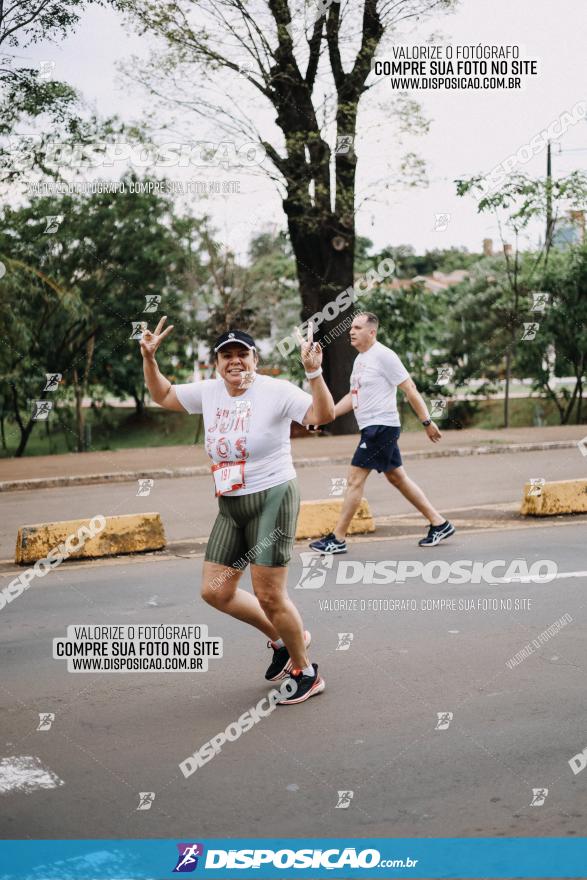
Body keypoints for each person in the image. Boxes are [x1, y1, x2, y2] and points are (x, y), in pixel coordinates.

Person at [140, 317, 335, 705]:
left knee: (269, 595)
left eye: (241, 354)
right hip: (231, 504)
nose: (234, 362)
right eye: (226, 355)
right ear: (216, 363)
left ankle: (306, 671)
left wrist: (313, 372)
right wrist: (149, 359)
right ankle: (283, 639)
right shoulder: (209, 392)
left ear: (254, 359)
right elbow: (162, 395)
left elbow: (321, 416)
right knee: (216, 590)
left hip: (273, 498)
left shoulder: (275, 391)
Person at [309, 312, 455, 553]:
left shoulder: (385, 356)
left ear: (372, 332)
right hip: (374, 428)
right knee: (397, 477)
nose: (351, 331)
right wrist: (327, 417)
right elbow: (352, 397)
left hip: (380, 428)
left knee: (354, 480)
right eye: (351, 328)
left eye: (357, 328)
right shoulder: (361, 359)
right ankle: (440, 523)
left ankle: (338, 538)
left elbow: (409, 388)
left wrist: (427, 422)